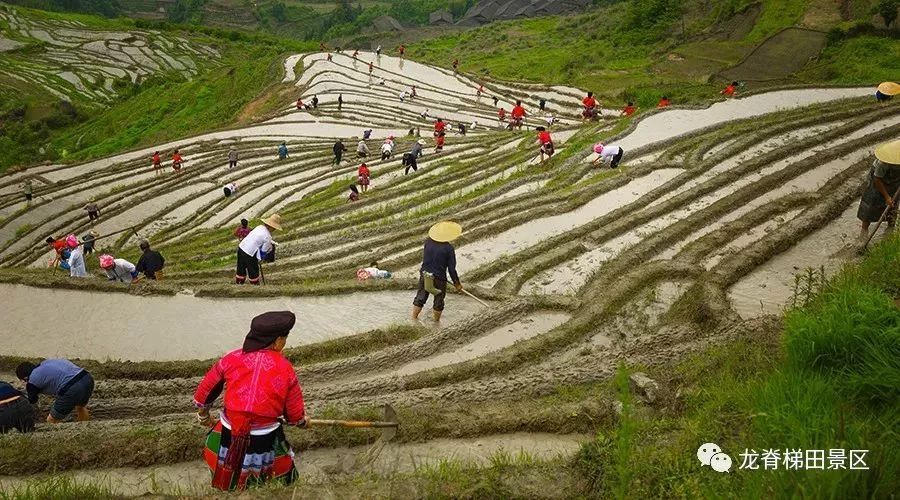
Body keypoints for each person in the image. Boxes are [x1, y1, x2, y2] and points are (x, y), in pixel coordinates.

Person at [194, 311, 306, 491]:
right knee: (283, 468)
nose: (284, 343)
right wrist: (300, 421)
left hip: (231, 428)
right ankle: (282, 489)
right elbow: (293, 413)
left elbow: (205, 392)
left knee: (225, 459)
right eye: (284, 338)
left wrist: (203, 415)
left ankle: (230, 485)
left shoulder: (231, 358)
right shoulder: (285, 368)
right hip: (264, 435)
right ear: (277, 341)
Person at [412, 221, 463, 322]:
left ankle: (413, 319)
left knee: (420, 297)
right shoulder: (448, 249)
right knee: (438, 301)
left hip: (425, 274)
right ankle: (436, 324)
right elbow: (451, 269)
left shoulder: (428, 242)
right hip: (439, 278)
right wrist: (457, 283)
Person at [16, 359, 94, 423]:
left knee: (51, 420)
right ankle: (84, 427)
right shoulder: (47, 362)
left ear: (25, 378)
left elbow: (32, 400)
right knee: (80, 407)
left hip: (71, 388)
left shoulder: (32, 380)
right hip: (87, 378)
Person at [857, 140, 900, 241]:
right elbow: (877, 180)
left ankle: (889, 233)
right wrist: (886, 197)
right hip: (877, 183)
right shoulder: (883, 163)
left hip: (894, 183)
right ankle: (863, 236)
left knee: (893, 206)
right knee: (870, 207)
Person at [235, 215, 280, 285]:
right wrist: (260, 259)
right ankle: (255, 286)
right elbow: (263, 251)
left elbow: (256, 238)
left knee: (241, 268)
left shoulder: (259, 227)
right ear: (272, 227)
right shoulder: (268, 236)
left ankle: (239, 284)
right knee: (253, 270)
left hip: (241, 248)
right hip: (250, 253)